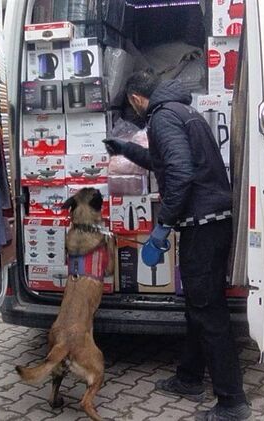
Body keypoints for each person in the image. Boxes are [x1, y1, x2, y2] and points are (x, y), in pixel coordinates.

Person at [104, 71, 251, 421]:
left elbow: (181, 172)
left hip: (202, 225)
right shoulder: (182, 112)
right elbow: (166, 161)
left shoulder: (162, 117)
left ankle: (233, 402)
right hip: (212, 222)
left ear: (137, 99)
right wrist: (127, 149)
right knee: (196, 306)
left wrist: (162, 225)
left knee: (208, 312)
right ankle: (189, 377)